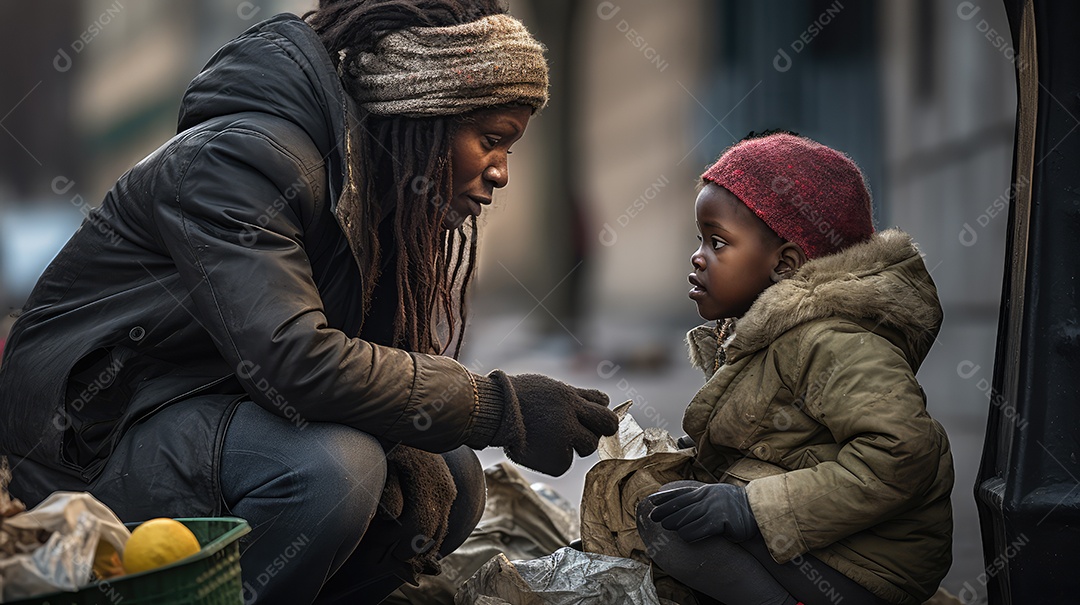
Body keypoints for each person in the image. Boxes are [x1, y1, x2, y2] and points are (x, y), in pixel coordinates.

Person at [0, 1, 618, 603]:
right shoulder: (240, 160)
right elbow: (295, 359)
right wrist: (495, 408)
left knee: (450, 472)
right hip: (85, 446)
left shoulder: (373, 190)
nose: (501, 172)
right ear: (422, 113)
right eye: (491, 139)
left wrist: (409, 433)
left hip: (197, 408)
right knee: (334, 471)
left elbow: (349, 363)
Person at [606, 131, 952, 605]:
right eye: (699, 239)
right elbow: (783, 438)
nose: (698, 256)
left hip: (871, 562)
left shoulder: (831, 341)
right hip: (831, 547)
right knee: (661, 505)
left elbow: (904, 453)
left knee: (668, 530)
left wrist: (750, 507)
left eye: (718, 242)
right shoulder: (766, 334)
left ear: (785, 264)